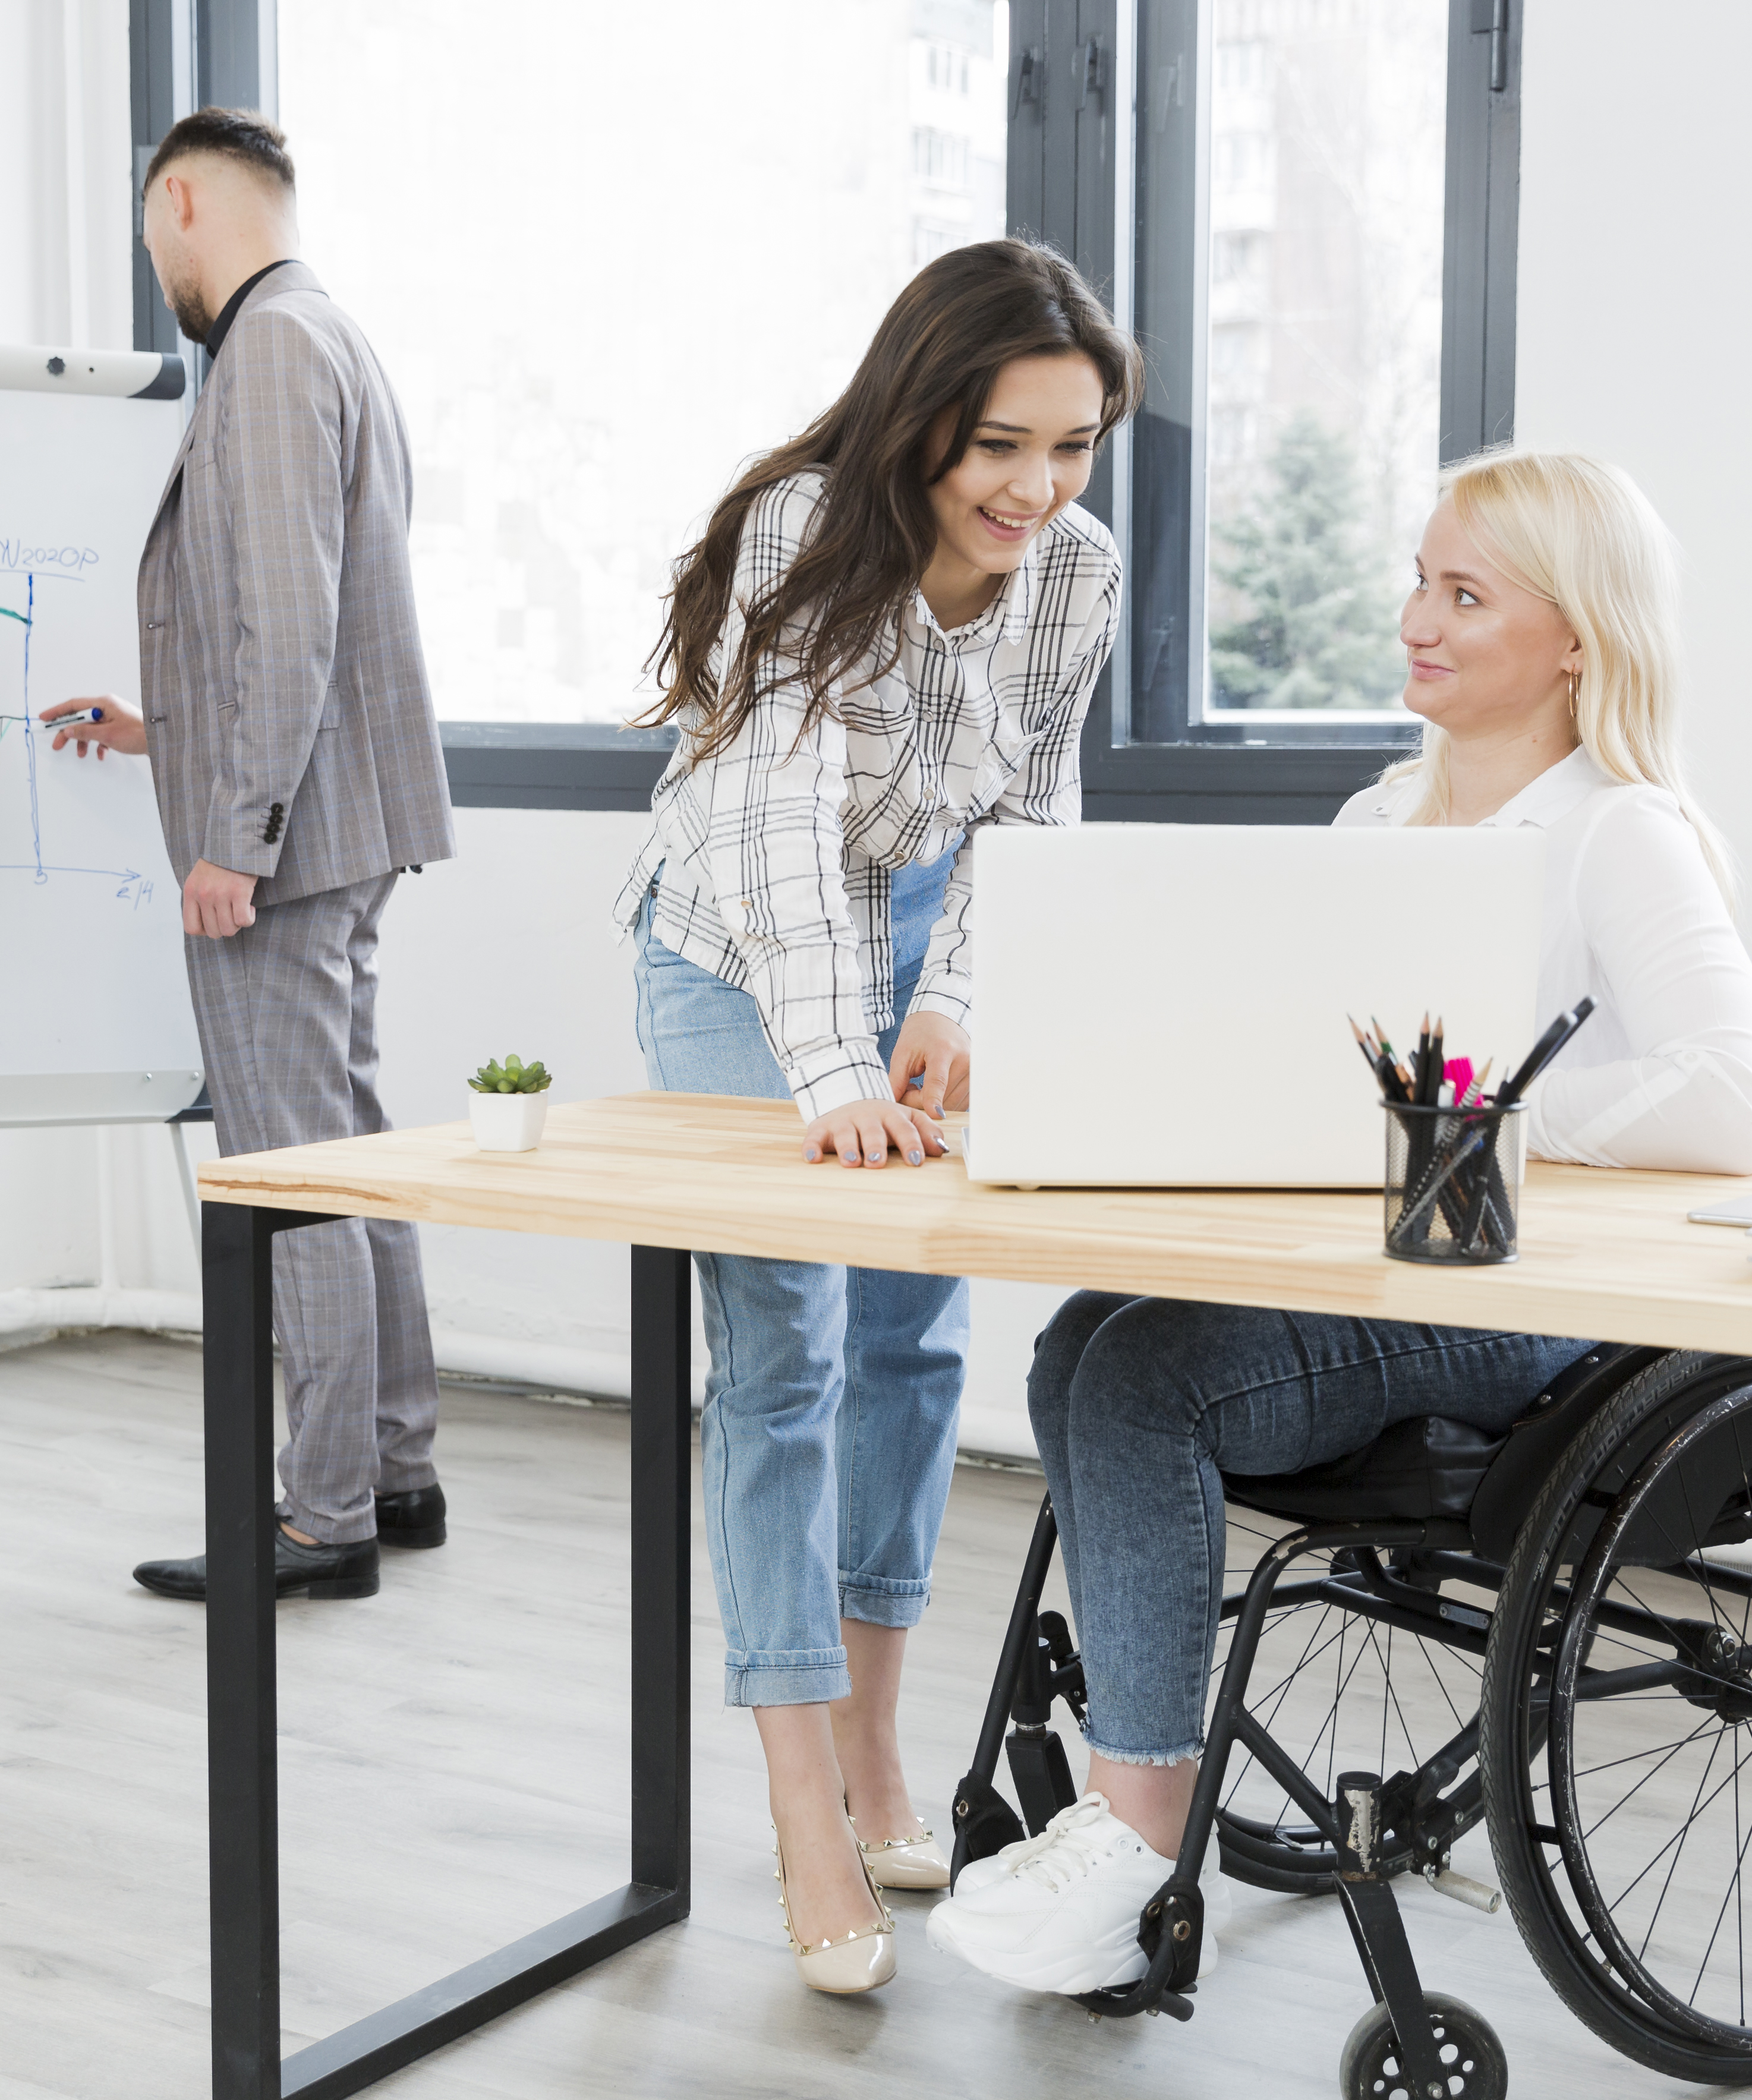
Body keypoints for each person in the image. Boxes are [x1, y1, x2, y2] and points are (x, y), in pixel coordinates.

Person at [927, 448, 1752, 1996]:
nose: (1414, 618)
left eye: (1463, 593)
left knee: (1138, 1377)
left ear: (1576, 636)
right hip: (1383, 1286)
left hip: (1528, 1319)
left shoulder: (1613, 830)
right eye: (1416, 579)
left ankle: (1131, 1830)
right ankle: (1141, 1774)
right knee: (1079, 1343)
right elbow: (1294, 1064)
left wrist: (1470, 1132)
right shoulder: (1378, 816)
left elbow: (1731, 1093)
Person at [616, 239, 1138, 1994]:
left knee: (917, 1338)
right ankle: (796, 1798)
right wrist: (833, 1074)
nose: (1035, 487)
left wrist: (957, 999)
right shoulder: (802, 530)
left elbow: (1033, 810)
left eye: (1069, 446)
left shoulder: (1072, 567)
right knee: (784, 1352)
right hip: (730, 944)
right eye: (1000, 444)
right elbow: (768, 835)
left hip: (916, 915)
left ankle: (874, 1741)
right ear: (921, 417)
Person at [40, 108, 455, 1603]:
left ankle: (319, 1516)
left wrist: (236, 840)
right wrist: (170, 737)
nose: (152, 258)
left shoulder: (272, 350)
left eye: (150, 229)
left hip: (287, 845)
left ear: (182, 200)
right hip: (333, 821)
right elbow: (305, 629)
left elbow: (291, 625)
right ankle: (393, 1470)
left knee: (287, 1170)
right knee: (346, 1151)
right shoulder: (326, 334)